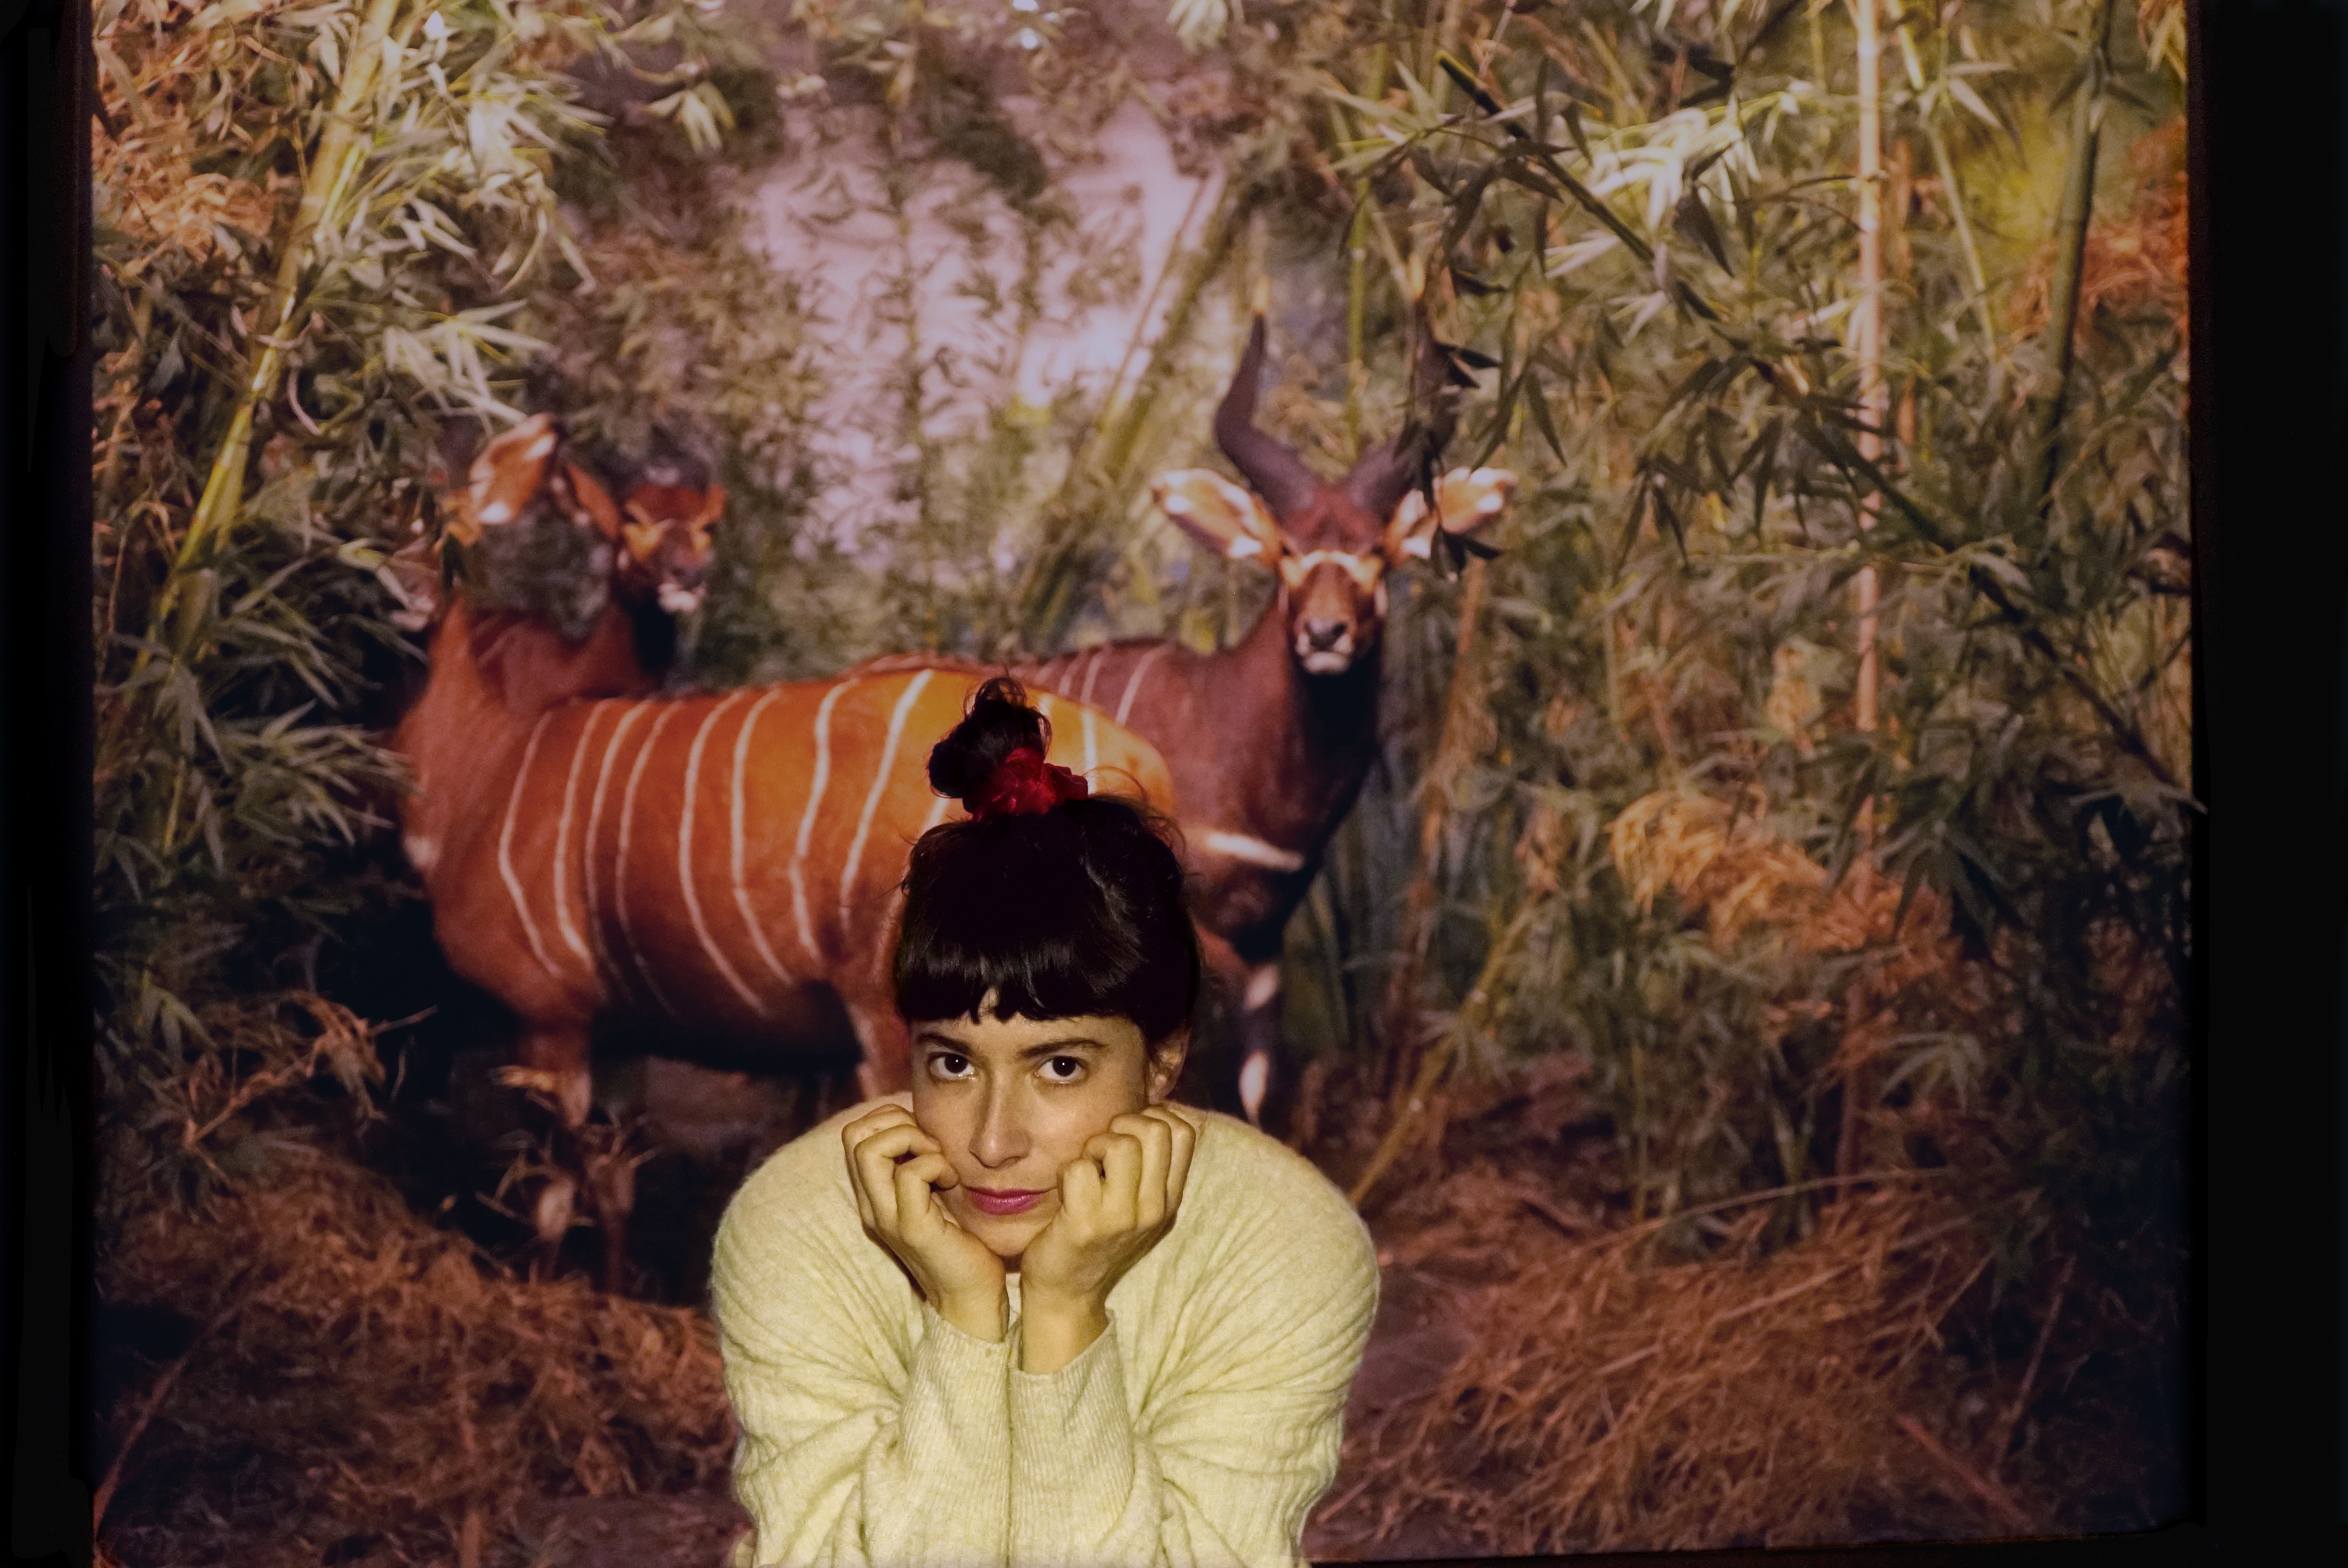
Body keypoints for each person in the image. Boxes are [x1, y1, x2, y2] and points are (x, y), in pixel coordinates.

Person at [710, 677, 1379, 1568]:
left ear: (1164, 1058)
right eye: (953, 1064)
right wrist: (964, 1315)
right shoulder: (800, 1223)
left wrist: (1064, 1315)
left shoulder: (1280, 1244)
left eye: (1060, 1067)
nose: (993, 1142)